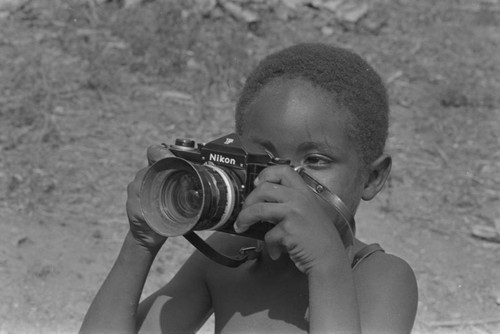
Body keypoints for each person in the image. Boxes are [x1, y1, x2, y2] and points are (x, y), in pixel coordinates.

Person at [80, 43, 418, 333]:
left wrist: (325, 264)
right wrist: (139, 243)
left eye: (315, 161)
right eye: (264, 158)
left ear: (373, 178)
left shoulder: (381, 277)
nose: (282, 180)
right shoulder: (230, 256)